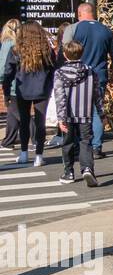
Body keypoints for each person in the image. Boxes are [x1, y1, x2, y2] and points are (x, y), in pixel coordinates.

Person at [1, 22, 55, 166]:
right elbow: (53, 70)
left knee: (24, 121)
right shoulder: (47, 50)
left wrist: (6, 94)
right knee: (40, 122)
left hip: (22, 90)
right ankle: (39, 155)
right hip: (42, 89)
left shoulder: (15, 50)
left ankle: (24, 153)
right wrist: (50, 87)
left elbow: (8, 74)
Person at [70, 3, 113, 160]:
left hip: (79, 75)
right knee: (97, 112)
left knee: (78, 112)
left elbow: (69, 51)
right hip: (99, 76)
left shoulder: (77, 29)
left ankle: (79, 145)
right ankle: (96, 147)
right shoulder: (106, 30)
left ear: (81, 13)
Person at [52, 39, 101, 186]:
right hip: (85, 114)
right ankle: (87, 168)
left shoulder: (60, 73)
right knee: (86, 142)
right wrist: (102, 113)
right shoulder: (90, 71)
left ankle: (69, 172)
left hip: (68, 114)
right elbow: (97, 94)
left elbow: (60, 97)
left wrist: (61, 118)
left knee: (67, 144)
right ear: (82, 53)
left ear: (65, 55)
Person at [0, 19, 20, 150]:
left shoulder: (7, 44)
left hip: (11, 83)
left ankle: (9, 140)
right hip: (20, 83)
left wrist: (2, 80)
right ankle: (9, 140)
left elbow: (3, 66)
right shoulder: (20, 43)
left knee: (15, 112)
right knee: (15, 113)